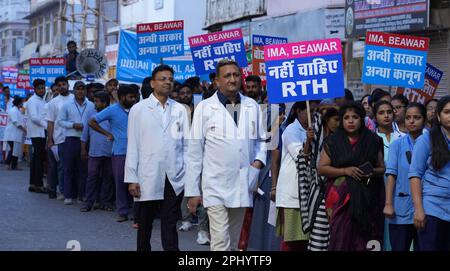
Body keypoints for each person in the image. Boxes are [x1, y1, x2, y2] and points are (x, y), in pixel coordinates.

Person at [185, 59, 267, 251]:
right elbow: (194, 152)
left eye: (236, 75)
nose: (233, 79)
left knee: (234, 239)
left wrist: (257, 164)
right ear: (217, 81)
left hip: (242, 182)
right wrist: (192, 192)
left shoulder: (252, 105)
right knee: (220, 240)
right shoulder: (205, 108)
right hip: (215, 185)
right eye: (227, 75)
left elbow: (262, 140)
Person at [125, 65, 189, 251]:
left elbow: (186, 145)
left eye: (170, 79)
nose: (168, 82)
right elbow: (133, 146)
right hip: (147, 174)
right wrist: (131, 178)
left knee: (170, 223)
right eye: (163, 79)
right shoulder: (139, 109)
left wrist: (186, 174)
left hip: (174, 175)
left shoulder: (180, 110)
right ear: (153, 83)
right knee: (144, 224)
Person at [317, 102, 385, 250]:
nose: (351, 121)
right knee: (341, 236)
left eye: (355, 117)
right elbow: (321, 169)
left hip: (367, 197)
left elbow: (382, 168)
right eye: (346, 117)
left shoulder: (373, 140)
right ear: (341, 120)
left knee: (365, 240)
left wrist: (371, 172)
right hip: (340, 199)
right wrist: (345, 171)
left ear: (362, 119)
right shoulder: (334, 140)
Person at [89, 84, 138, 222]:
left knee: (136, 183)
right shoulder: (112, 110)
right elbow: (92, 122)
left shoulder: (137, 109)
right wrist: (107, 133)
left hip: (137, 152)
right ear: (122, 97)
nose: (134, 99)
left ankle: (136, 212)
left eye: (135, 97)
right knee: (120, 183)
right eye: (131, 97)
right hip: (119, 152)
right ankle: (122, 212)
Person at [409, 96, 450, 251]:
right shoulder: (426, 139)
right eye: (447, 112)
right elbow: (415, 175)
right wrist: (419, 209)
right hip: (432, 209)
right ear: (438, 116)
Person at [383, 103, 426, 251]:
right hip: (400, 206)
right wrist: (388, 203)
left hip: (427, 208)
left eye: (417, 117)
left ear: (425, 120)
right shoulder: (397, 145)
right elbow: (391, 176)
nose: (412, 121)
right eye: (408, 117)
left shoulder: (433, 144)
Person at [275, 101, 313, 251]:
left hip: (309, 193)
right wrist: (309, 141)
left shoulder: (316, 128)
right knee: (291, 241)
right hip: (292, 195)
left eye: (316, 111)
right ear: (298, 111)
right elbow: (301, 157)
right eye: (310, 111)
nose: (313, 114)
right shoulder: (291, 130)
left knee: (306, 241)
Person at [58, 81, 95, 205]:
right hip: (71, 138)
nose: (80, 91)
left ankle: (81, 195)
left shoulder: (91, 105)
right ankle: (68, 195)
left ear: (85, 91)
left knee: (83, 169)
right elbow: (60, 121)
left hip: (86, 139)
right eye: (78, 89)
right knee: (69, 168)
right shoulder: (67, 105)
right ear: (73, 91)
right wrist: (73, 125)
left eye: (82, 89)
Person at [80, 91, 114, 212]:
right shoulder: (91, 113)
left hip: (110, 151)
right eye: (94, 101)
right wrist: (83, 148)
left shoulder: (112, 113)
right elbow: (85, 133)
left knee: (108, 178)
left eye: (97, 101)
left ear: (105, 103)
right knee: (92, 177)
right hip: (94, 151)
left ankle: (104, 202)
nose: (95, 103)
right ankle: (88, 202)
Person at [46, 76, 74, 200]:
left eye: (64, 84)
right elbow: (50, 122)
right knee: (62, 166)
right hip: (59, 138)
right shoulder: (53, 102)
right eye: (59, 85)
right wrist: (50, 139)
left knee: (73, 166)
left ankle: (73, 191)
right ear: (56, 87)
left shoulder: (75, 99)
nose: (62, 86)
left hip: (74, 137)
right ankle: (62, 191)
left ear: (68, 85)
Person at [26, 79, 48, 194]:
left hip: (40, 132)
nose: (42, 90)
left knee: (36, 159)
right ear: (34, 89)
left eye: (43, 88)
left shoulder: (42, 100)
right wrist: (46, 126)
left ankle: (33, 184)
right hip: (37, 133)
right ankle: (38, 185)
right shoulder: (32, 101)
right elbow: (34, 117)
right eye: (39, 88)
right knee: (39, 159)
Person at [3, 96, 26, 170]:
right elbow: (15, 122)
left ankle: (13, 165)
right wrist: (24, 129)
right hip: (12, 134)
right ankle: (8, 164)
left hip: (16, 134)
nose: (23, 104)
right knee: (13, 149)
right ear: (19, 103)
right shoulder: (13, 110)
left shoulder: (18, 111)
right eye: (22, 102)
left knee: (15, 150)